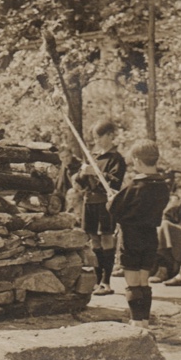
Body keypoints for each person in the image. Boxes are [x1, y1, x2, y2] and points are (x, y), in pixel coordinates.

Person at [106, 140, 170, 327]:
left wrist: (111, 200)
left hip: (131, 237)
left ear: (138, 161)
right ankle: (144, 321)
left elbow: (116, 210)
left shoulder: (135, 185)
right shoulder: (163, 186)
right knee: (144, 281)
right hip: (150, 237)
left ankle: (136, 322)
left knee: (132, 282)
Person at [73, 119, 126, 295]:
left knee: (106, 238)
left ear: (110, 136)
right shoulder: (93, 157)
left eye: (99, 137)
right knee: (94, 239)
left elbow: (115, 182)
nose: (96, 141)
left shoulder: (116, 159)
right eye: (94, 137)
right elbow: (81, 183)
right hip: (90, 202)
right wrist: (81, 173)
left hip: (105, 203)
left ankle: (107, 281)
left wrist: (95, 172)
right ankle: (97, 279)